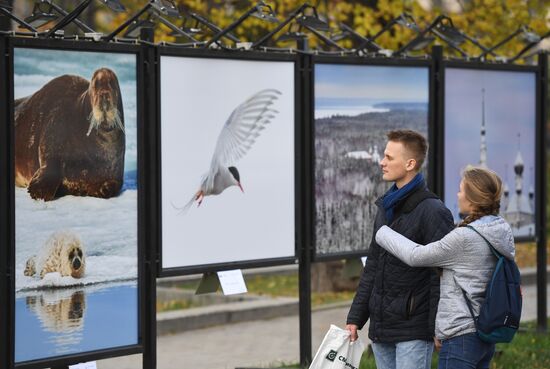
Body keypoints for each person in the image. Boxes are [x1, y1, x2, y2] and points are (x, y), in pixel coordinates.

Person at [374, 166, 515, 369]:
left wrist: (383, 230)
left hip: (461, 336)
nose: (457, 195)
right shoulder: (500, 230)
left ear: (472, 198)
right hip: (484, 332)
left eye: (460, 190)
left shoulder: (465, 237)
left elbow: (416, 255)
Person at [346, 130, 454, 369]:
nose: (382, 162)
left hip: (414, 329)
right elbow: (373, 266)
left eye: (389, 157)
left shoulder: (433, 211)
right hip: (382, 328)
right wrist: (356, 318)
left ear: (410, 163)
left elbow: (442, 275)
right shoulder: (386, 207)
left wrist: (439, 325)